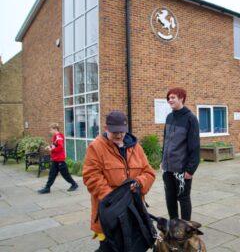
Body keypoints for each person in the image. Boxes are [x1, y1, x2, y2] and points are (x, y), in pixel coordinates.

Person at [83, 110, 156, 251]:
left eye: (122, 131)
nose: (119, 135)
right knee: (110, 247)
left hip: (134, 210)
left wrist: (139, 183)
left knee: (134, 245)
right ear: (106, 129)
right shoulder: (96, 147)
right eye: (115, 131)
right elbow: (91, 176)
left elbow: (149, 172)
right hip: (110, 212)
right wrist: (115, 200)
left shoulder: (136, 147)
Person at [162, 87, 200, 221]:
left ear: (181, 98)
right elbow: (165, 141)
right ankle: (173, 224)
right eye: (169, 98)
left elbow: (195, 147)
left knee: (183, 198)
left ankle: (185, 228)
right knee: (170, 197)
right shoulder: (169, 117)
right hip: (167, 168)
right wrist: (163, 160)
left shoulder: (190, 119)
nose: (170, 100)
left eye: (173, 97)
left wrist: (190, 170)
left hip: (182, 169)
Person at [38, 123, 78, 194]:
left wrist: (51, 150)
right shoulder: (56, 137)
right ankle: (47, 188)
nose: (50, 131)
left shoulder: (58, 137)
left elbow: (60, 147)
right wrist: (49, 147)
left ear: (55, 129)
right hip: (56, 159)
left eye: (51, 130)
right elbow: (54, 145)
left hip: (60, 160)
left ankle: (74, 184)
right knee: (52, 174)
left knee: (65, 174)